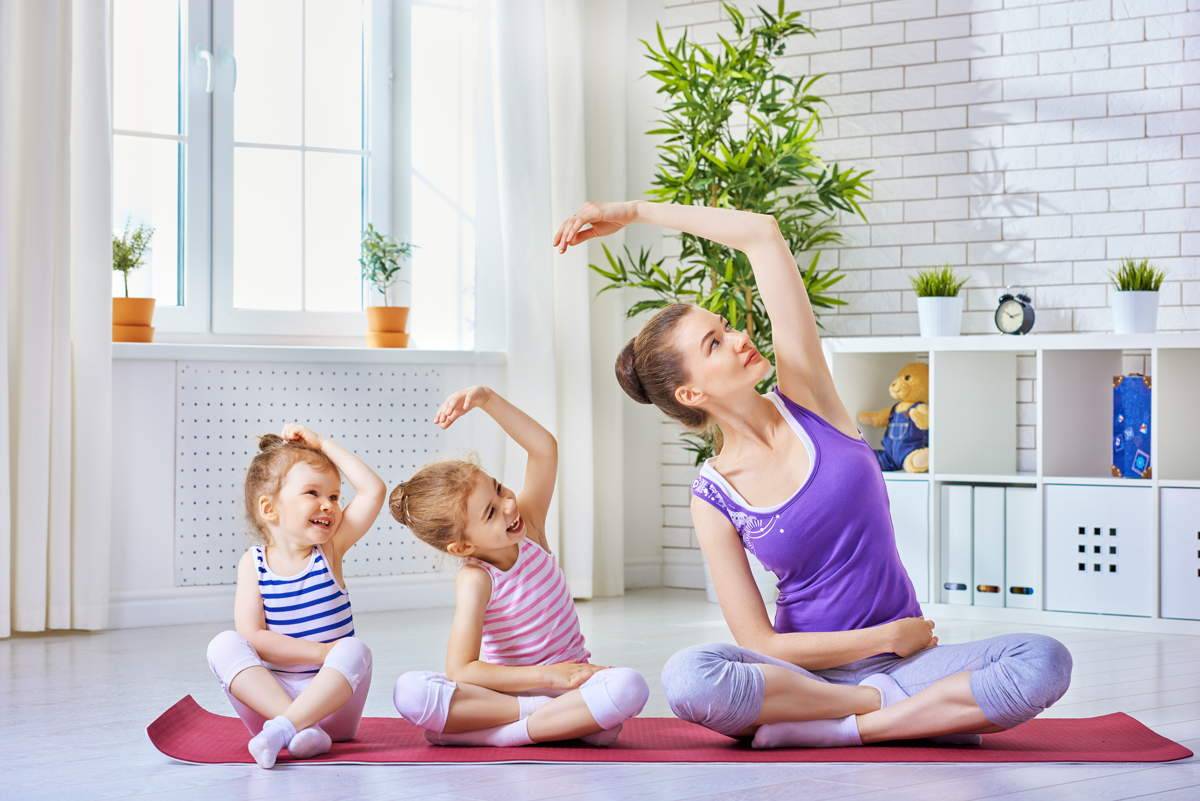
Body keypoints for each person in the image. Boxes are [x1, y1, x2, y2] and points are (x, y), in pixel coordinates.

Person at [553, 200, 1072, 747]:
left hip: (902, 667)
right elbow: (759, 643)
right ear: (691, 393)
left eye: (725, 327)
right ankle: (889, 715)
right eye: (715, 344)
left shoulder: (808, 399)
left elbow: (761, 235)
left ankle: (841, 730)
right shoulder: (713, 495)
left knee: (1043, 662)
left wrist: (633, 212)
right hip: (808, 676)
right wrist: (886, 637)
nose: (737, 338)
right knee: (690, 677)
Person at [389, 385, 649, 746]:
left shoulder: (530, 528)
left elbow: (543, 448)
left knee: (629, 687)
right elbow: (462, 669)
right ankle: (536, 723)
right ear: (463, 545)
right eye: (491, 512)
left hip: (568, 686)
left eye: (498, 489)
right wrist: (548, 678)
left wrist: (486, 400)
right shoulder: (476, 579)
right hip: (512, 695)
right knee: (411, 692)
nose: (508, 506)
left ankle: (494, 736)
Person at [205, 425, 386, 768]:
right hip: (270, 701)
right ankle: (297, 728)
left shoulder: (329, 550)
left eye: (334, 496)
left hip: (331, 703)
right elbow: (254, 637)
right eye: (313, 493)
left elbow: (373, 490)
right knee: (223, 644)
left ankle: (287, 728)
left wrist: (324, 445)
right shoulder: (252, 564)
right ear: (270, 509)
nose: (329, 505)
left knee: (354, 650)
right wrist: (319, 652)